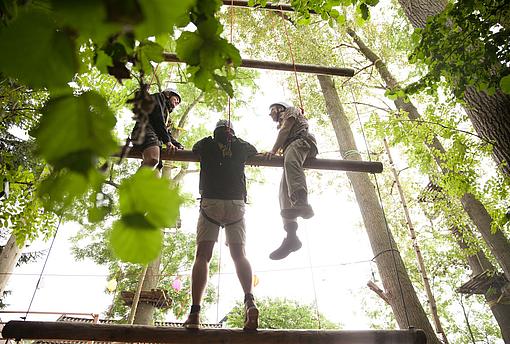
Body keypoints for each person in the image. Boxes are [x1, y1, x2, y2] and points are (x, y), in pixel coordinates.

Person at [184, 120, 259, 330]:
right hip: (236, 203)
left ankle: (195, 313)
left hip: (211, 202)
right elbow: (253, 150)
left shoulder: (206, 143)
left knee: (203, 256)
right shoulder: (242, 145)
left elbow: (195, 149)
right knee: (239, 255)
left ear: (214, 131)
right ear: (232, 132)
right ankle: (249, 301)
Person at [264, 102, 318, 260]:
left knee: (290, 163)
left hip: (302, 142)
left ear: (280, 108)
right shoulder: (282, 126)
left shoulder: (290, 111)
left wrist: (273, 150)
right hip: (291, 148)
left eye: (271, 109)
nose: (270, 114)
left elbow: (286, 130)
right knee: (283, 191)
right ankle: (291, 236)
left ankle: (302, 202)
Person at [130, 87, 184, 168]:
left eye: (178, 102)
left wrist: (177, 144)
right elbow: (158, 117)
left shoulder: (166, 115)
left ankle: (144, 179)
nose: (177, 102)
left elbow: (165, 131)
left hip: (155, 139)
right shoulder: (159, 97)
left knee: (156, 171)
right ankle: (135, 181)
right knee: (153, 159)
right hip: (144, 132)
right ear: (168, 95)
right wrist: (167, 142)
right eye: (176, 99)